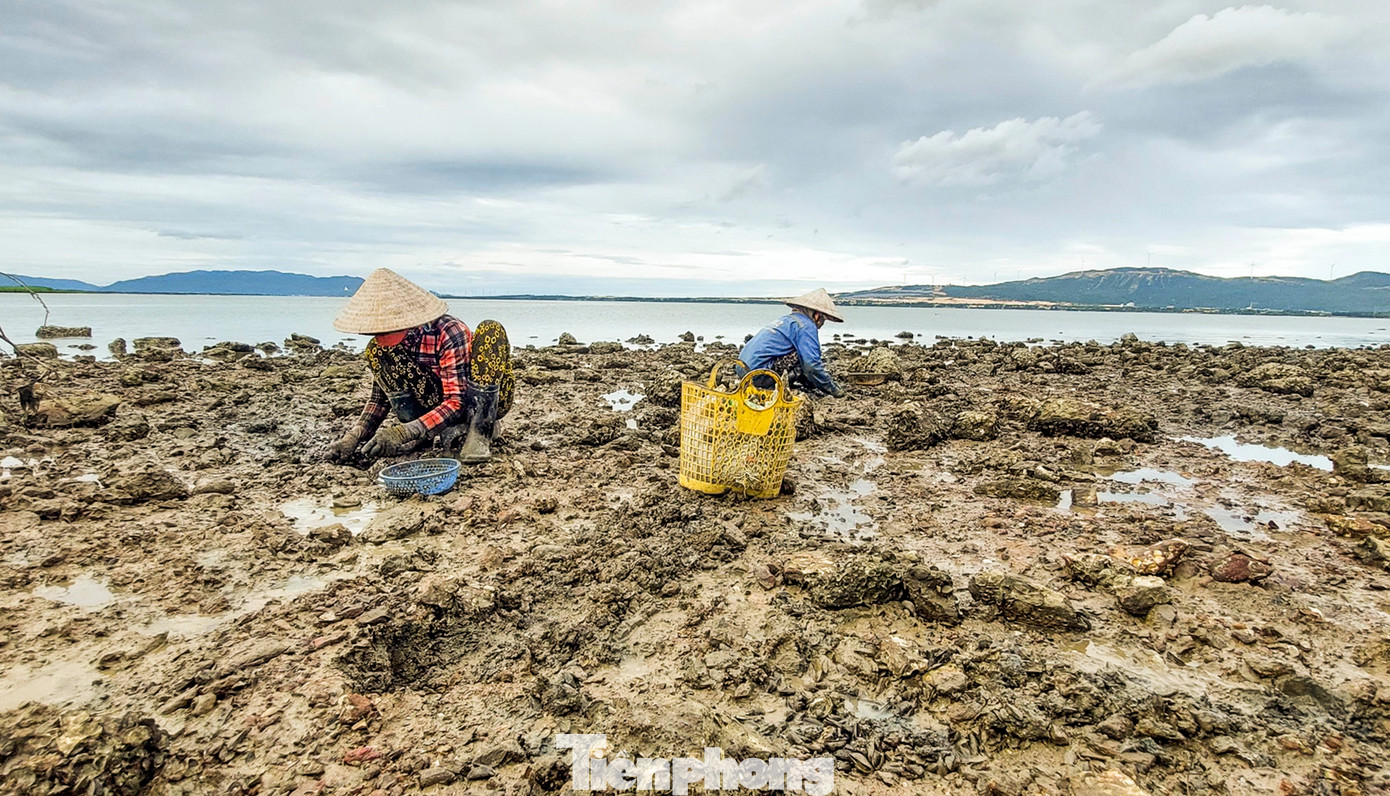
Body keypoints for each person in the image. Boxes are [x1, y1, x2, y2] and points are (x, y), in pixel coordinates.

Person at [326, 268, 515, 464]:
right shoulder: (381, 348)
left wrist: (402, 433)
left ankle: (479, 433)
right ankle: (423, 436)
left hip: (477, 402)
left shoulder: (448, 332)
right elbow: (379, 399)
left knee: (491, 330)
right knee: (376, 352)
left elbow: (456, 401)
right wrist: (354, 436)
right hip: (435, 407)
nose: (377, 335)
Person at [737, 288, 846, 397]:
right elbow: (811, 366)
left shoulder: (787, 320)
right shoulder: (806, 326)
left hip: (742, 371)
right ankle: (773, 386)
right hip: (758, 377)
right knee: (804, 356)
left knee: (802, 352)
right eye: (824, 319)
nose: (822, 324)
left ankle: (807, 384)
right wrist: (833, 389)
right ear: (817, 315)